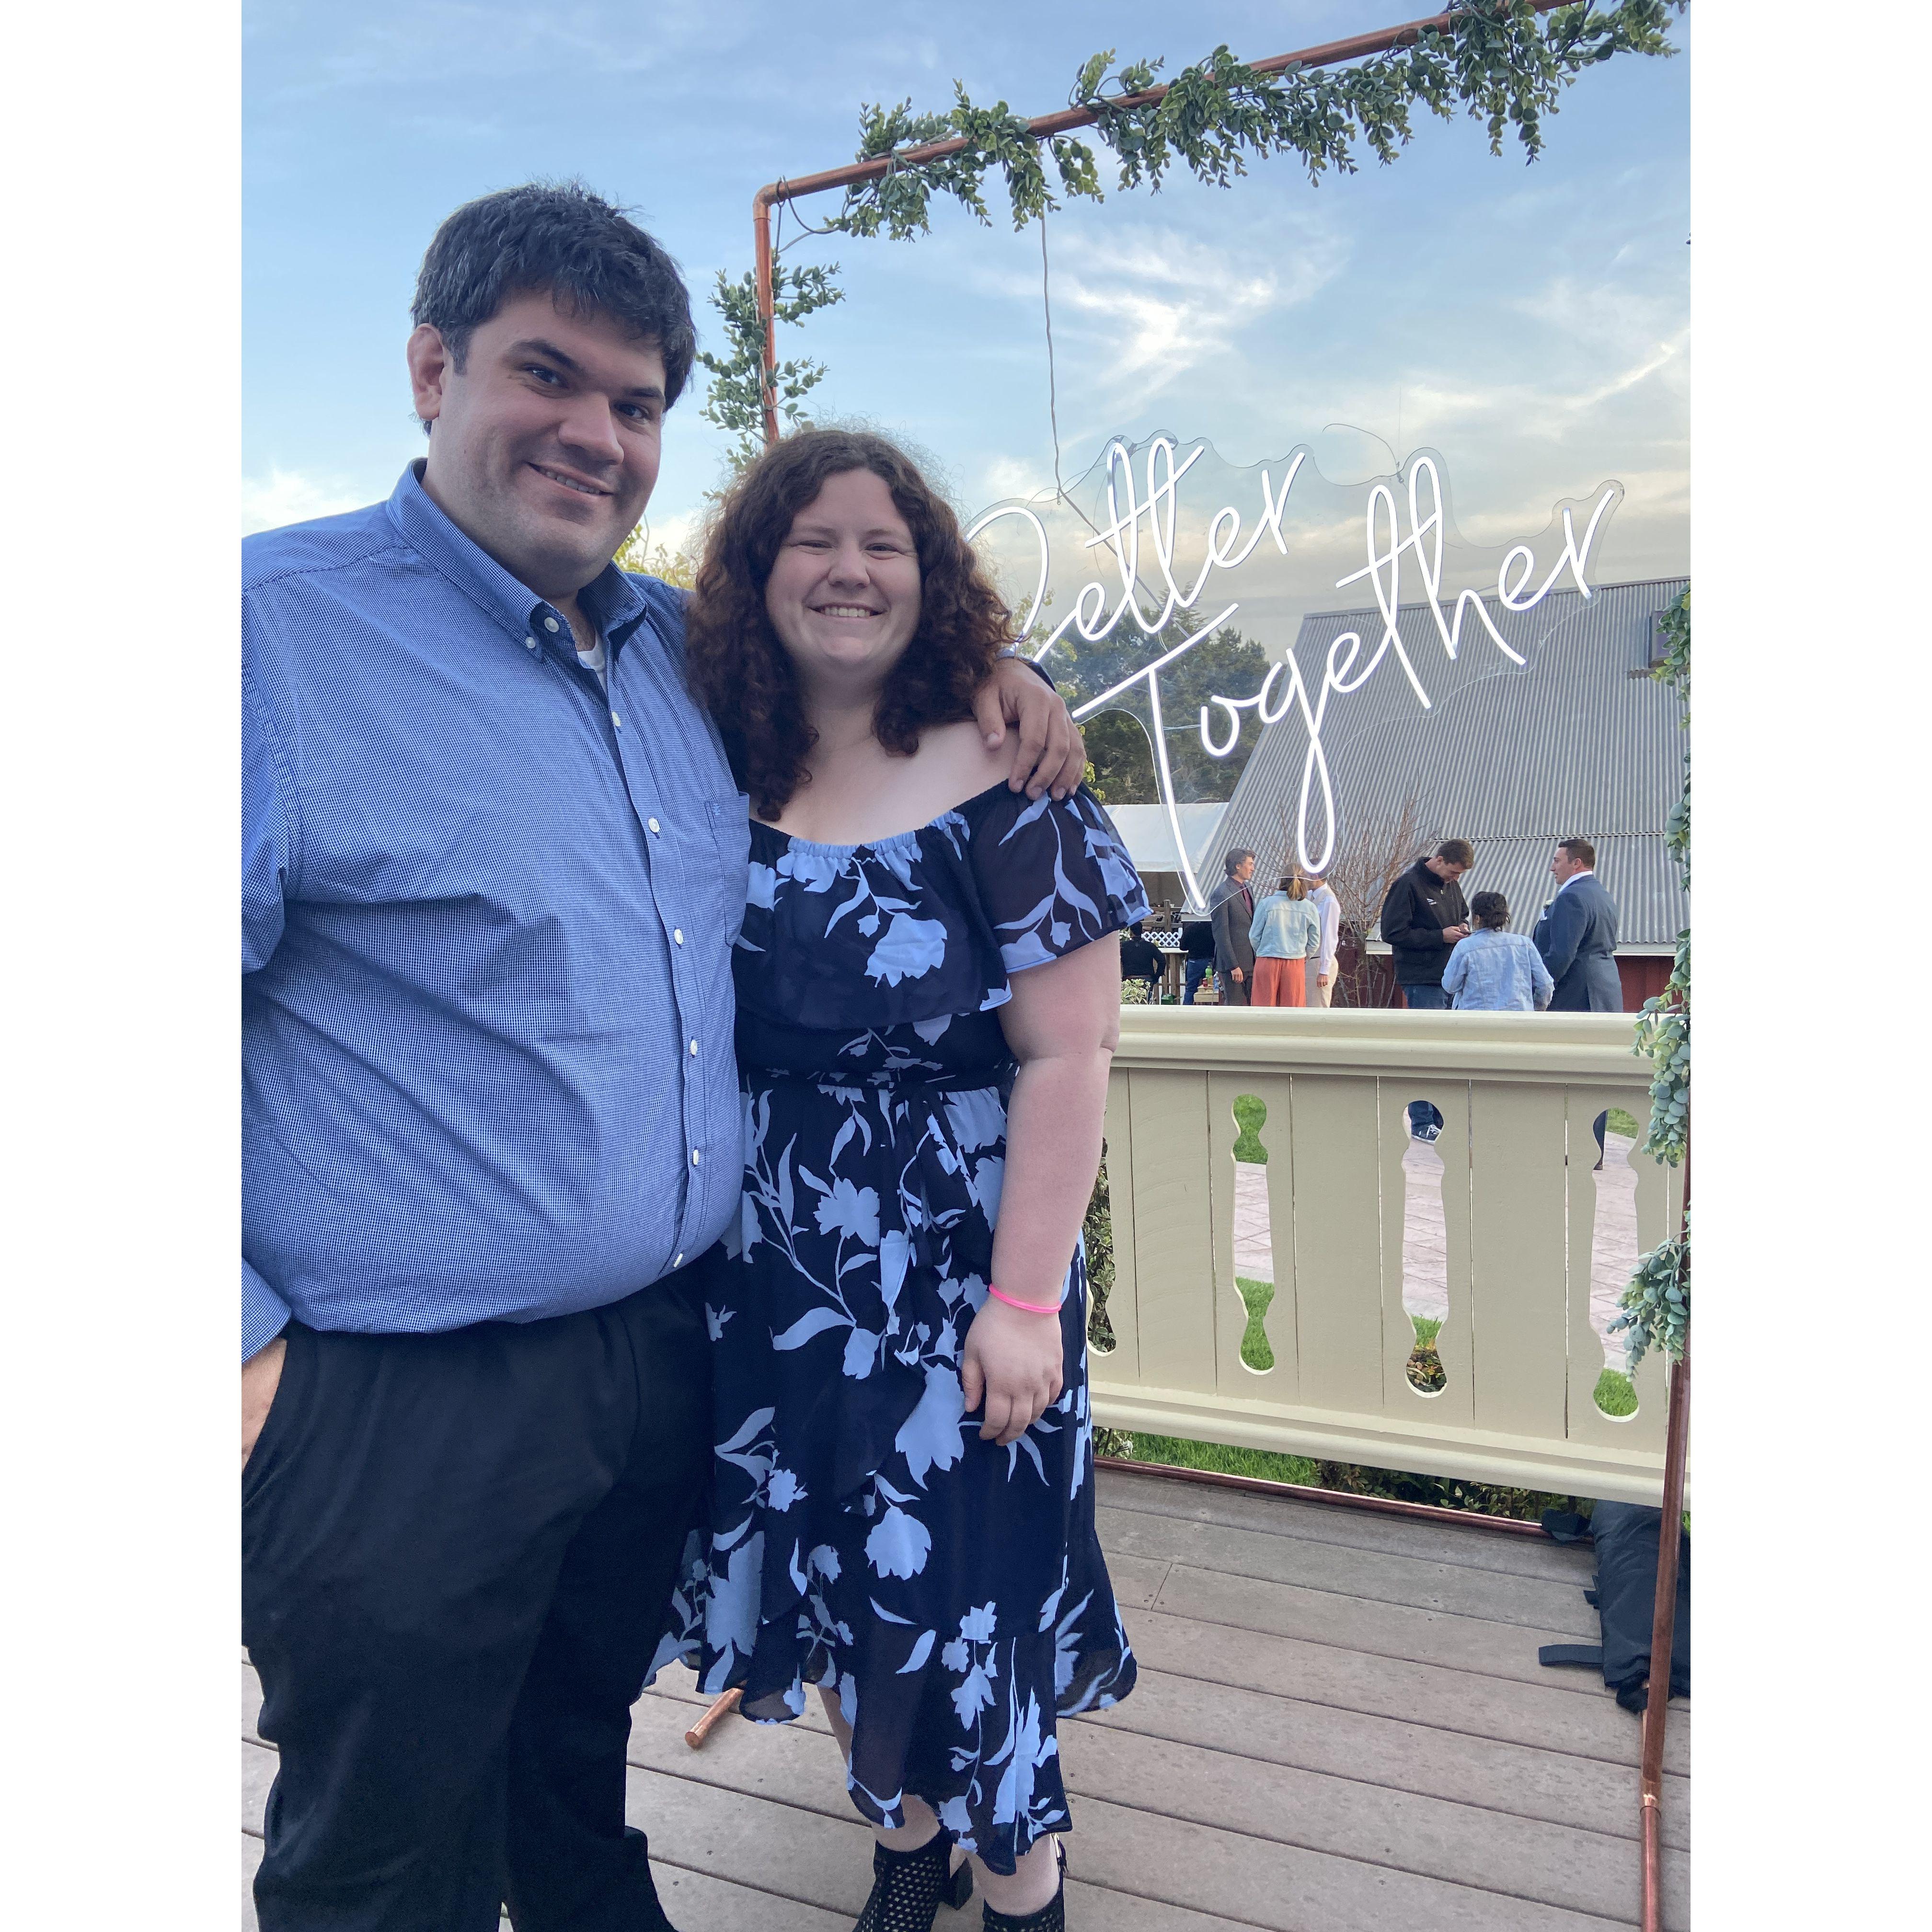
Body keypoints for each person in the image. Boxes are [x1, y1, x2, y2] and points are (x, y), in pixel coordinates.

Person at [241, 185, 1087, 1932]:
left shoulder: (666, 658)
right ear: (431, 369)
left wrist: (1005, 668)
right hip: (396, 1396)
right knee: (381, 1857)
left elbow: (862, 662)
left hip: (662, 1357)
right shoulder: (263, 633)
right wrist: (240, 1358)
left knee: (572, 1783)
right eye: (546, 375)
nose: (596, 434)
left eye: (635, 403)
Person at [663, 429, 1141, 1932]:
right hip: (774, 1266)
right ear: (757, 571)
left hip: (962, 1265)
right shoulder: (712, 757)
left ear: (931, 575)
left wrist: (1025, 1303)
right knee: (827, 1565)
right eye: (813, 539)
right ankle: (909, 1837)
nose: (850, 570)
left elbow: (1071, 1051)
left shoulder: (1009, 766)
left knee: (969, 1581)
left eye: (884, 543)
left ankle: (1022, 1879)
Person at [1379, 839, 1474, 1010]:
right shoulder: (1407, 884)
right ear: (1440, 860)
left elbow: (1462, 913)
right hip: (1423, 980)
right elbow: (1392, 933)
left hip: (1452, 977)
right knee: (1432, 1027)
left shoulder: (1451, 884)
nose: (1456, 878)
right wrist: (1440, 937)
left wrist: (1462, 926)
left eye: (1460, 874)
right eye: (1453, 872)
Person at [1533, 837, 1623, 1011]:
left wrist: (1540, 991)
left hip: (1576, 996)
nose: (1552, 868)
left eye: (1557, 861)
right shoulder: (1603, 895)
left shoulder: (1570, 898)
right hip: (1606, 993)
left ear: (1576, 863)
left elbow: (1561, 955)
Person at [1442, 892, 1554, 1011]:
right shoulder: (1524, 944)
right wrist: (1536, 1008)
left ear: (1477, 918)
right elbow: (1546, 985)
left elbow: (1450, 986)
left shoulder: (1465, 947)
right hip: (1519, 1018)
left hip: (1477, 1018)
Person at [1246, 872, 1324, 1006]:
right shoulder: (1309, 907)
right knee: (1293, 1010)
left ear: (1282, 880)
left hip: (1267, 960)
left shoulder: (1267, 904)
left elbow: (1254, 936)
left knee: (1263, 1009)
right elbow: (1315, 942)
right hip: (1295, 962)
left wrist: (1264, 950)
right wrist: (1303, 956)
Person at [1208, 849, 1258, 1007]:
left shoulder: (1248, 889)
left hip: (1251, 961)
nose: (1253, 868)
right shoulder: (1221, 893)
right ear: (1238, 866)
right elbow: (1221, 933)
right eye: (1250, 864)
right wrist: (1233, 965)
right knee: (1235, 1008)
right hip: (1233, 965)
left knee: (1253, 1008)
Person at [1306, 871, 1341, 1007]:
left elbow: (1330, 937)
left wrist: (1324, 970)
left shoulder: (1328, 900)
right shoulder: (1309, 896)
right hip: (1309, 961)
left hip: (1319, 961)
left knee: (1317, 1008)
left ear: (1315, 877)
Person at [1119, 920, 1164, 1000]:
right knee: (1146, 1001)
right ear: (1142, 931)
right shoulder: (1150, 946)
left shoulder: (1124, 947)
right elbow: (1162, 960)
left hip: (1129, 979)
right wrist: (1156, 977)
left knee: (1130, 1002)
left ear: (1131, 933)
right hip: (1147, 979)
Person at [1178, 911, 1218, 1003]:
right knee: (1211, 988)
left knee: (1191, 988)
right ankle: (1210, 1008)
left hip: (1194, 962)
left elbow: (1183, 947)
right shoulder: (1212, 928)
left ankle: (1187, 1010)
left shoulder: (1190, 928)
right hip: (1209, 962)